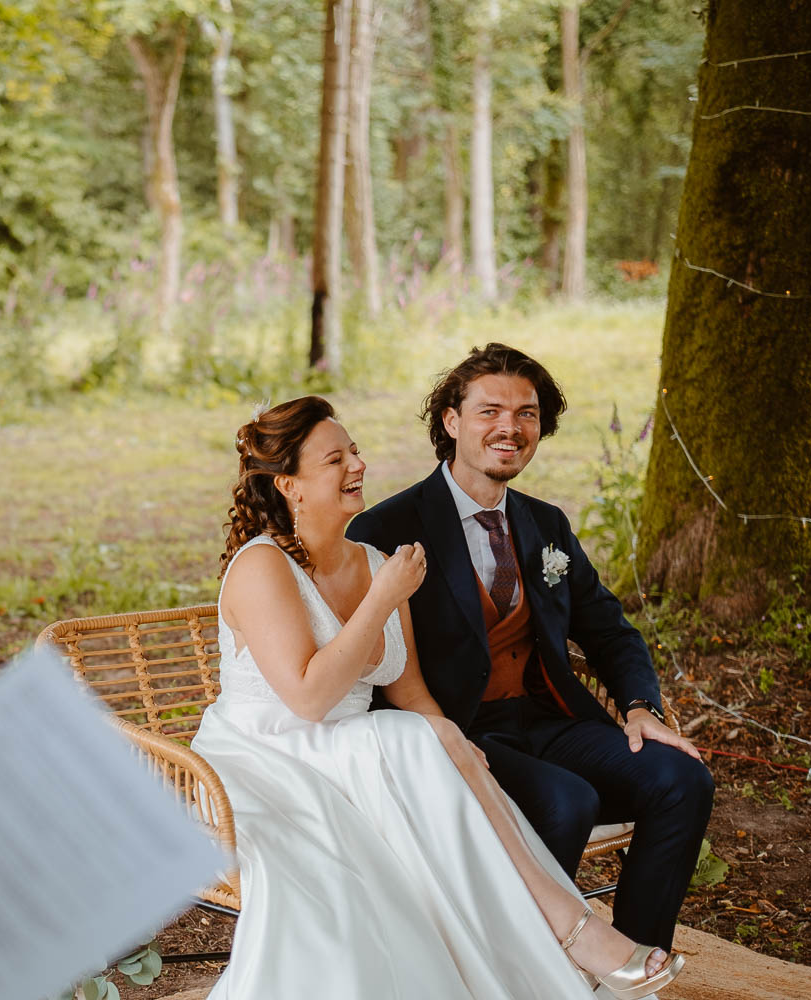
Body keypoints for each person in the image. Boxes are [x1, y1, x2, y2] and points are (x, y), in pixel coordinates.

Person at [190, 396, 684, 1000]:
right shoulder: (263, 567)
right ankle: (574, 932)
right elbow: (309, 699)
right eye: (335, 459)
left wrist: (458, 751)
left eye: (356, 451)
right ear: (289, 484)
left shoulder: (375, 562)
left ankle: (562, 935)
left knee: (439, 741)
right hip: (267, 760)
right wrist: (383, 598)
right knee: (418, 742)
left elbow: (412, 692)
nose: (358, 466)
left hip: (349, 757)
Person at [347, 343, 715, 953]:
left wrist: (642, 706)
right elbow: (370, 663)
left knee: (681, 779)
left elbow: (608, 629)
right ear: (451, 420)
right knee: (566, 802)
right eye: (490, 410)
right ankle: (520, 969)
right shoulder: (386, 529)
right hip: (458, 732)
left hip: (550, 717)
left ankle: (630, 965)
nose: (510, 428)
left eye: (528, 414)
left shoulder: (546, 525)